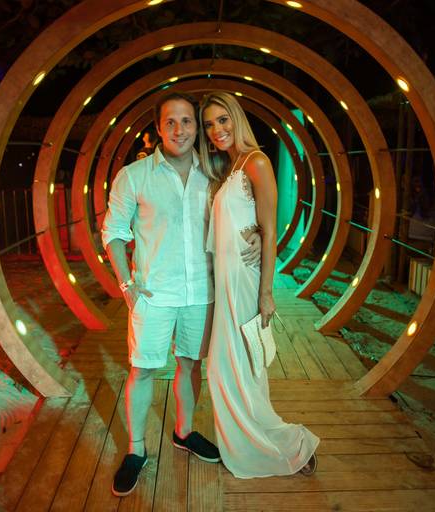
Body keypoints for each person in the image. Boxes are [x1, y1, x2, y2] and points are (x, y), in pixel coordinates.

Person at [101, 92, 261, 496]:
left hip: (203, 292)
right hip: (153, 294)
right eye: (170, 122)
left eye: (187, 121)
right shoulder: (134, 176)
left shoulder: (216, 174)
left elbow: (244, 211)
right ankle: (136, 450)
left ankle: (184, 432)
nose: (179, 130)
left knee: (191, 366)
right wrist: (126, 285)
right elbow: (113, 232)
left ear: (196, 128)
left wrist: (257, 234)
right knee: (142, 370)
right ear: (158, 128)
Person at [198, 91, 319, 478]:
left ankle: (287, 445)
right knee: (228, 368)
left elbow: (269, 232)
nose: (217, 130)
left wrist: (266, 294)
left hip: (245, 281)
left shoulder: (257, 162)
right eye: (209, 124)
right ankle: (255, 443)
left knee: (239, 367)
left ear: (237, 117)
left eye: (223, 120)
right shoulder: (230, 166)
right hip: (225, 280)